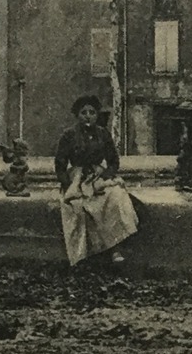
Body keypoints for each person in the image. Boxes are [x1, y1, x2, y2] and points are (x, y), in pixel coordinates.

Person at [54, 95, 139, 266]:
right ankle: (84, 255)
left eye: (92, 112)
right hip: (77, 178)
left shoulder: (103, 134)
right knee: (78, 206)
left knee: (115, 198)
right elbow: (60, 164)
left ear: (96, 115)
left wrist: (106, 176)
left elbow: (114, 161)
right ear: (77, 115)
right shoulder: (68, 135)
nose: (88, 116)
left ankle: (116, 248)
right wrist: (68, 184)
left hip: (97, 177)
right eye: (83, 112)